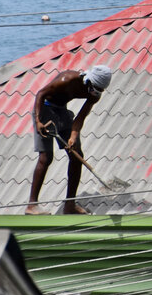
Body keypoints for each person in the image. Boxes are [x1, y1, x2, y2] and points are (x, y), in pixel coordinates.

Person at [26, 65, 112, 215]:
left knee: (77, 155)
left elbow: (80, 117)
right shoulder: (66, 79)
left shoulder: (95, 94)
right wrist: (38, 120)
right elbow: (40, 94)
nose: (95, 93)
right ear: (88, 81)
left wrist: (73, 136)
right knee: (46, 157)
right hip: (44, 108)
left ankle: (70, 205)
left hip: (62, 111)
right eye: (94, 89)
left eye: (99, 91)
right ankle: (32, 205)